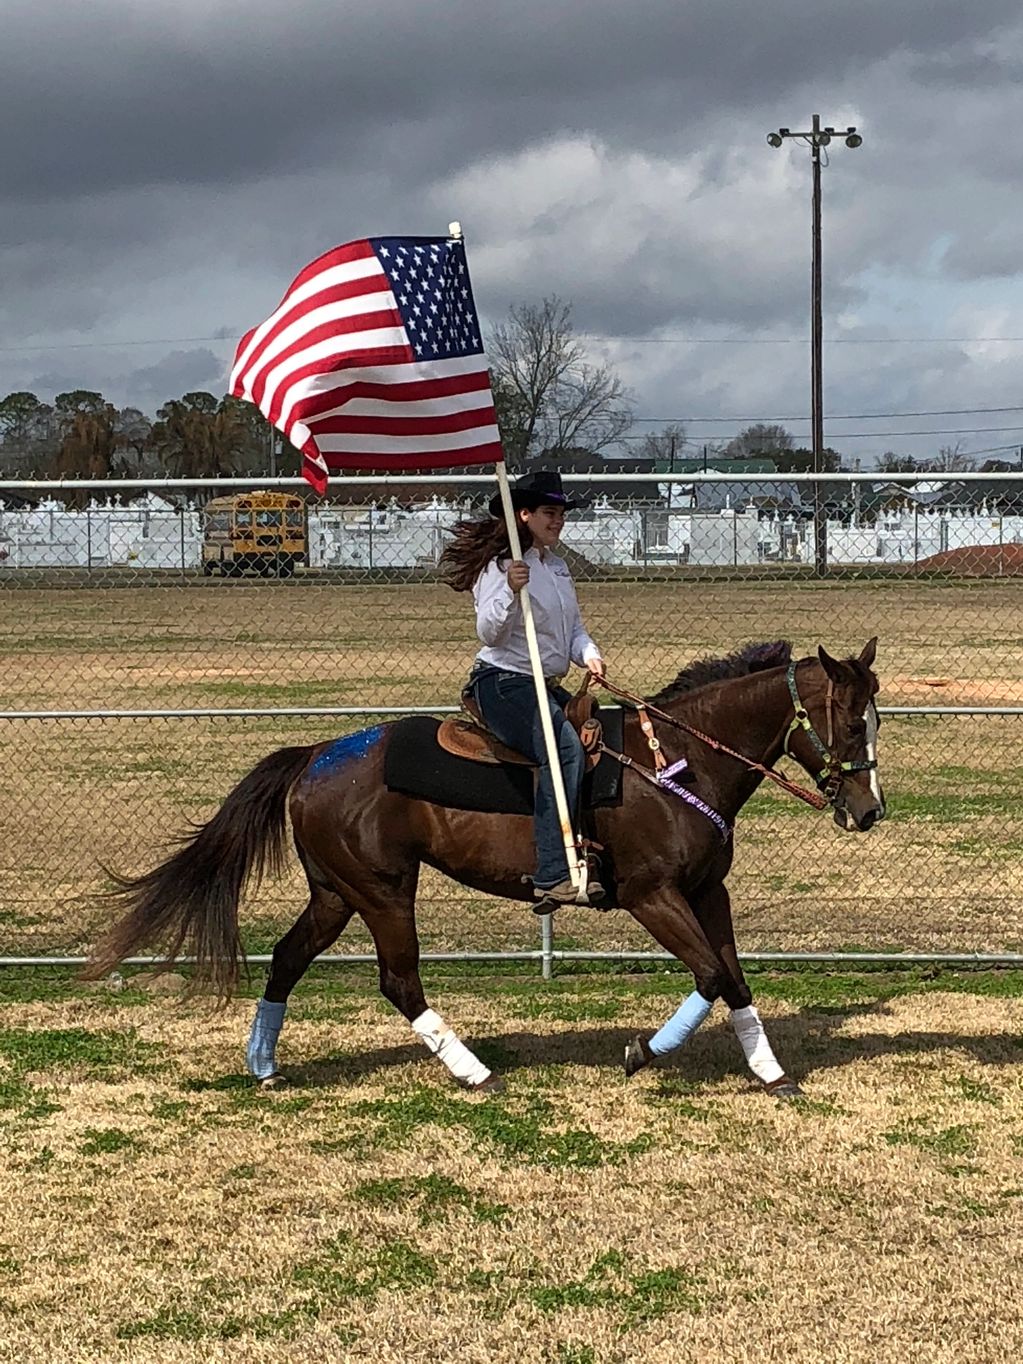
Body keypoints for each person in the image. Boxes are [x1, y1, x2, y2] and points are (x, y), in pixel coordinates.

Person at [439, 470, 606, 911]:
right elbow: (489, 633)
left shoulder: (558, 568)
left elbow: (572, 631)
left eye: (561, 514)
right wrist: (512, 592)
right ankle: (553, 871)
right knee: (563, 748)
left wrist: (588, 654)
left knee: (600, 736)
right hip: (503, 682)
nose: (558, 521)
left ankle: (591, 850)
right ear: (524, 515)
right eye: (549, 513)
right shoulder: (501, 568)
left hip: (545, 682)